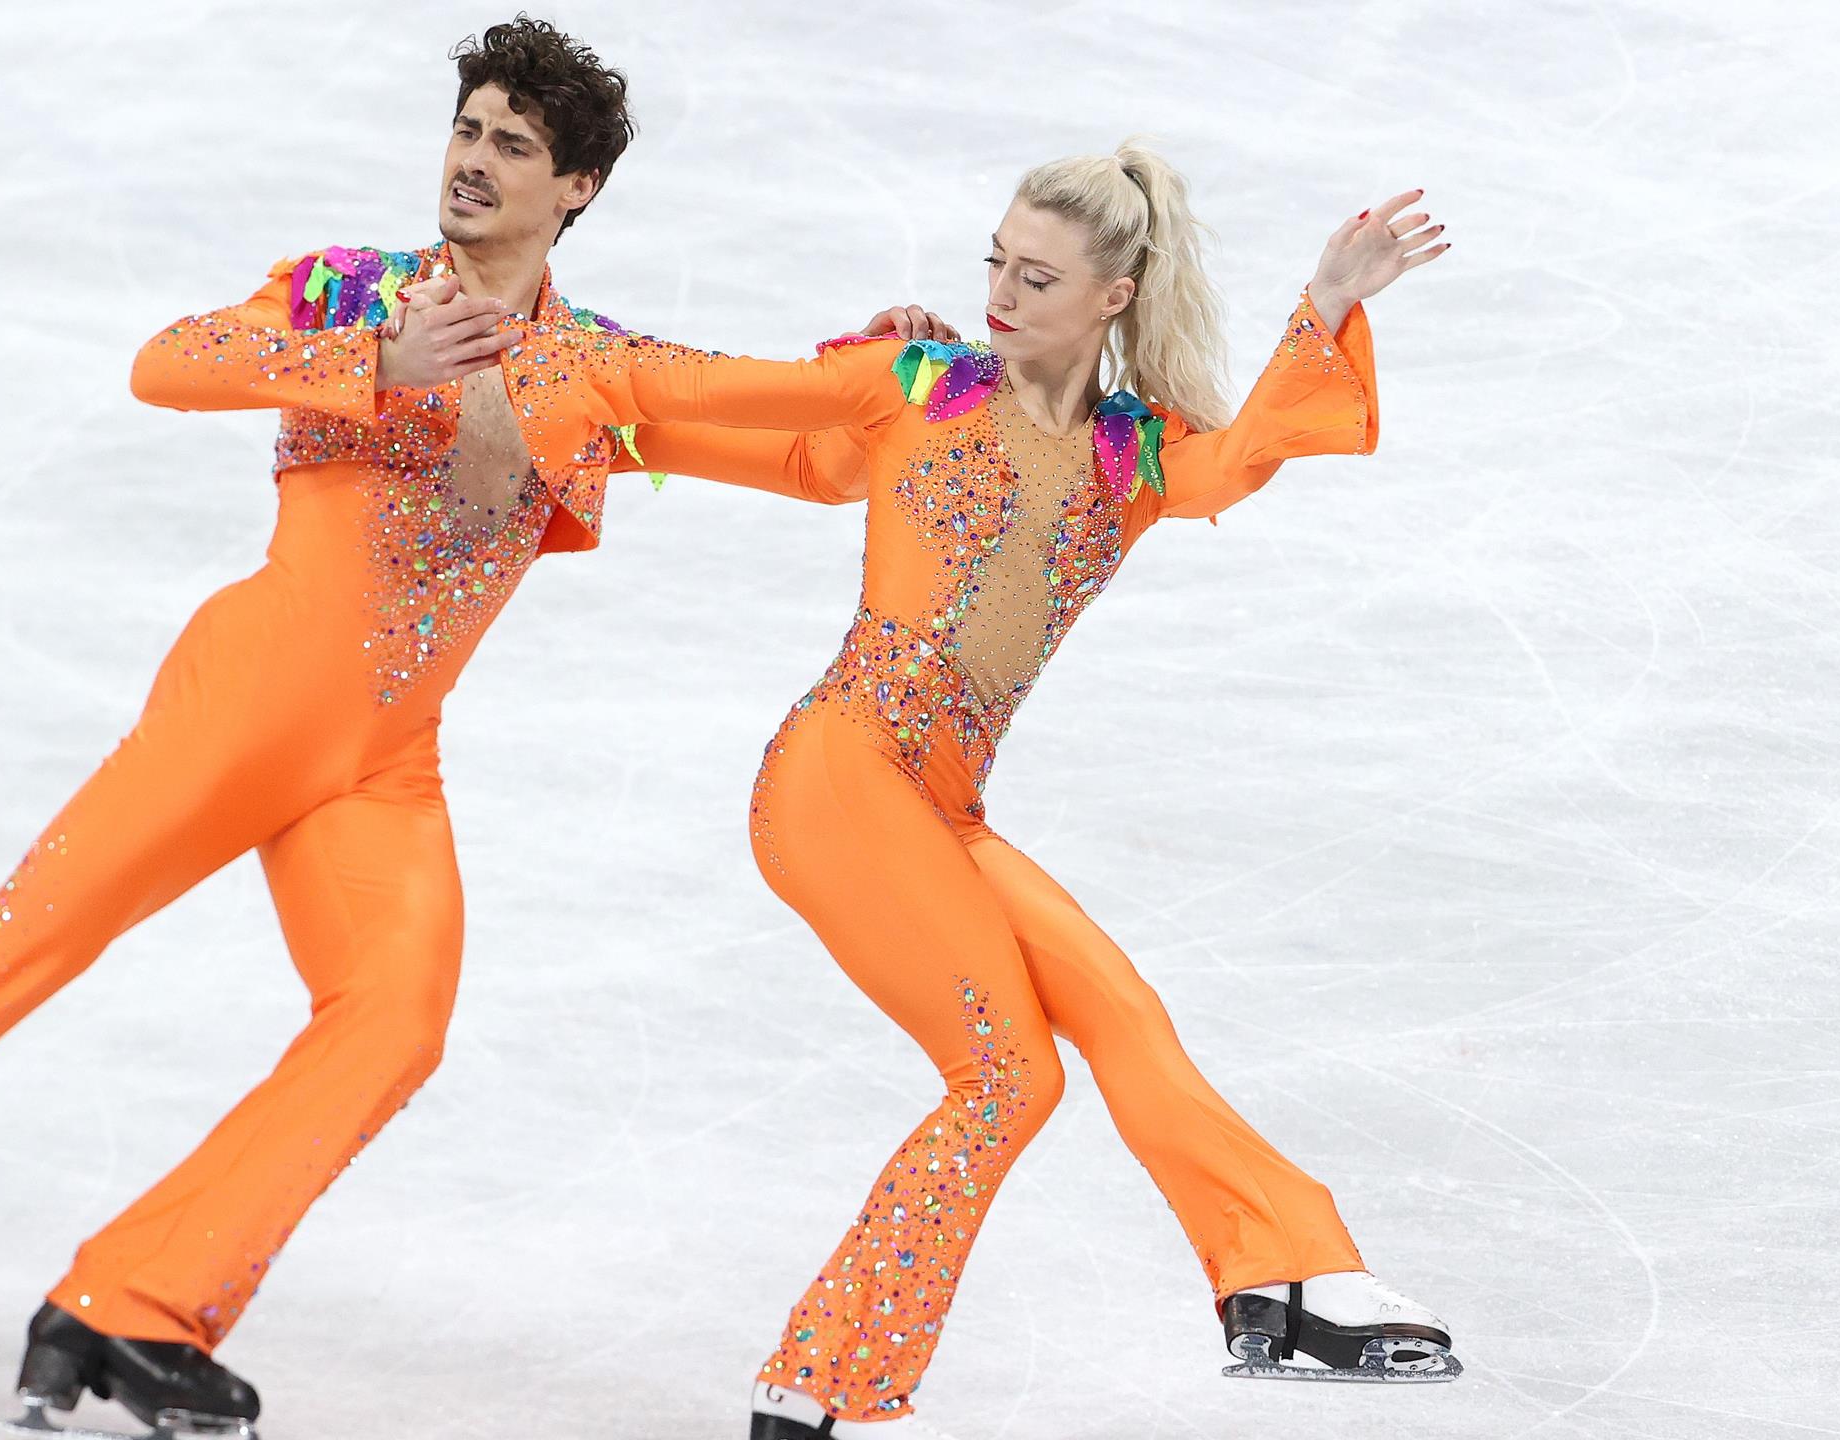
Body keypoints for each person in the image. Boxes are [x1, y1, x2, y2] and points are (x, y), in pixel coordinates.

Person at [0, 18, 905, 1434]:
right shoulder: (354, 292)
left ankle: (131, 1302)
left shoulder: (597, 373)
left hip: (382, 768)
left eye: (511, 145)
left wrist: (879, 365)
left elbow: (814, 464)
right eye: (466, 129)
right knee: (4, 961)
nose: (472, 161)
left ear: (574, 188)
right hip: (241, 707)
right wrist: (379, 363)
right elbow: (169, 362)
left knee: (394, 1020)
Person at [493, 142, 1458, 1432]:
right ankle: (816, 1387)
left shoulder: (1136, 454)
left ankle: (1285, 1282)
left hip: (945, 804)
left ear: (1113, 295)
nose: (1001, 293)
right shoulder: (914, 383)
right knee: (1009, 1076)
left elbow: (1241, 461)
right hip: (838, 777)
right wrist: (523, 344)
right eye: (994, 263)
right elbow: (705, 389)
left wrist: (1327, 301)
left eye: (1038, 275)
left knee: (1120, 1010)